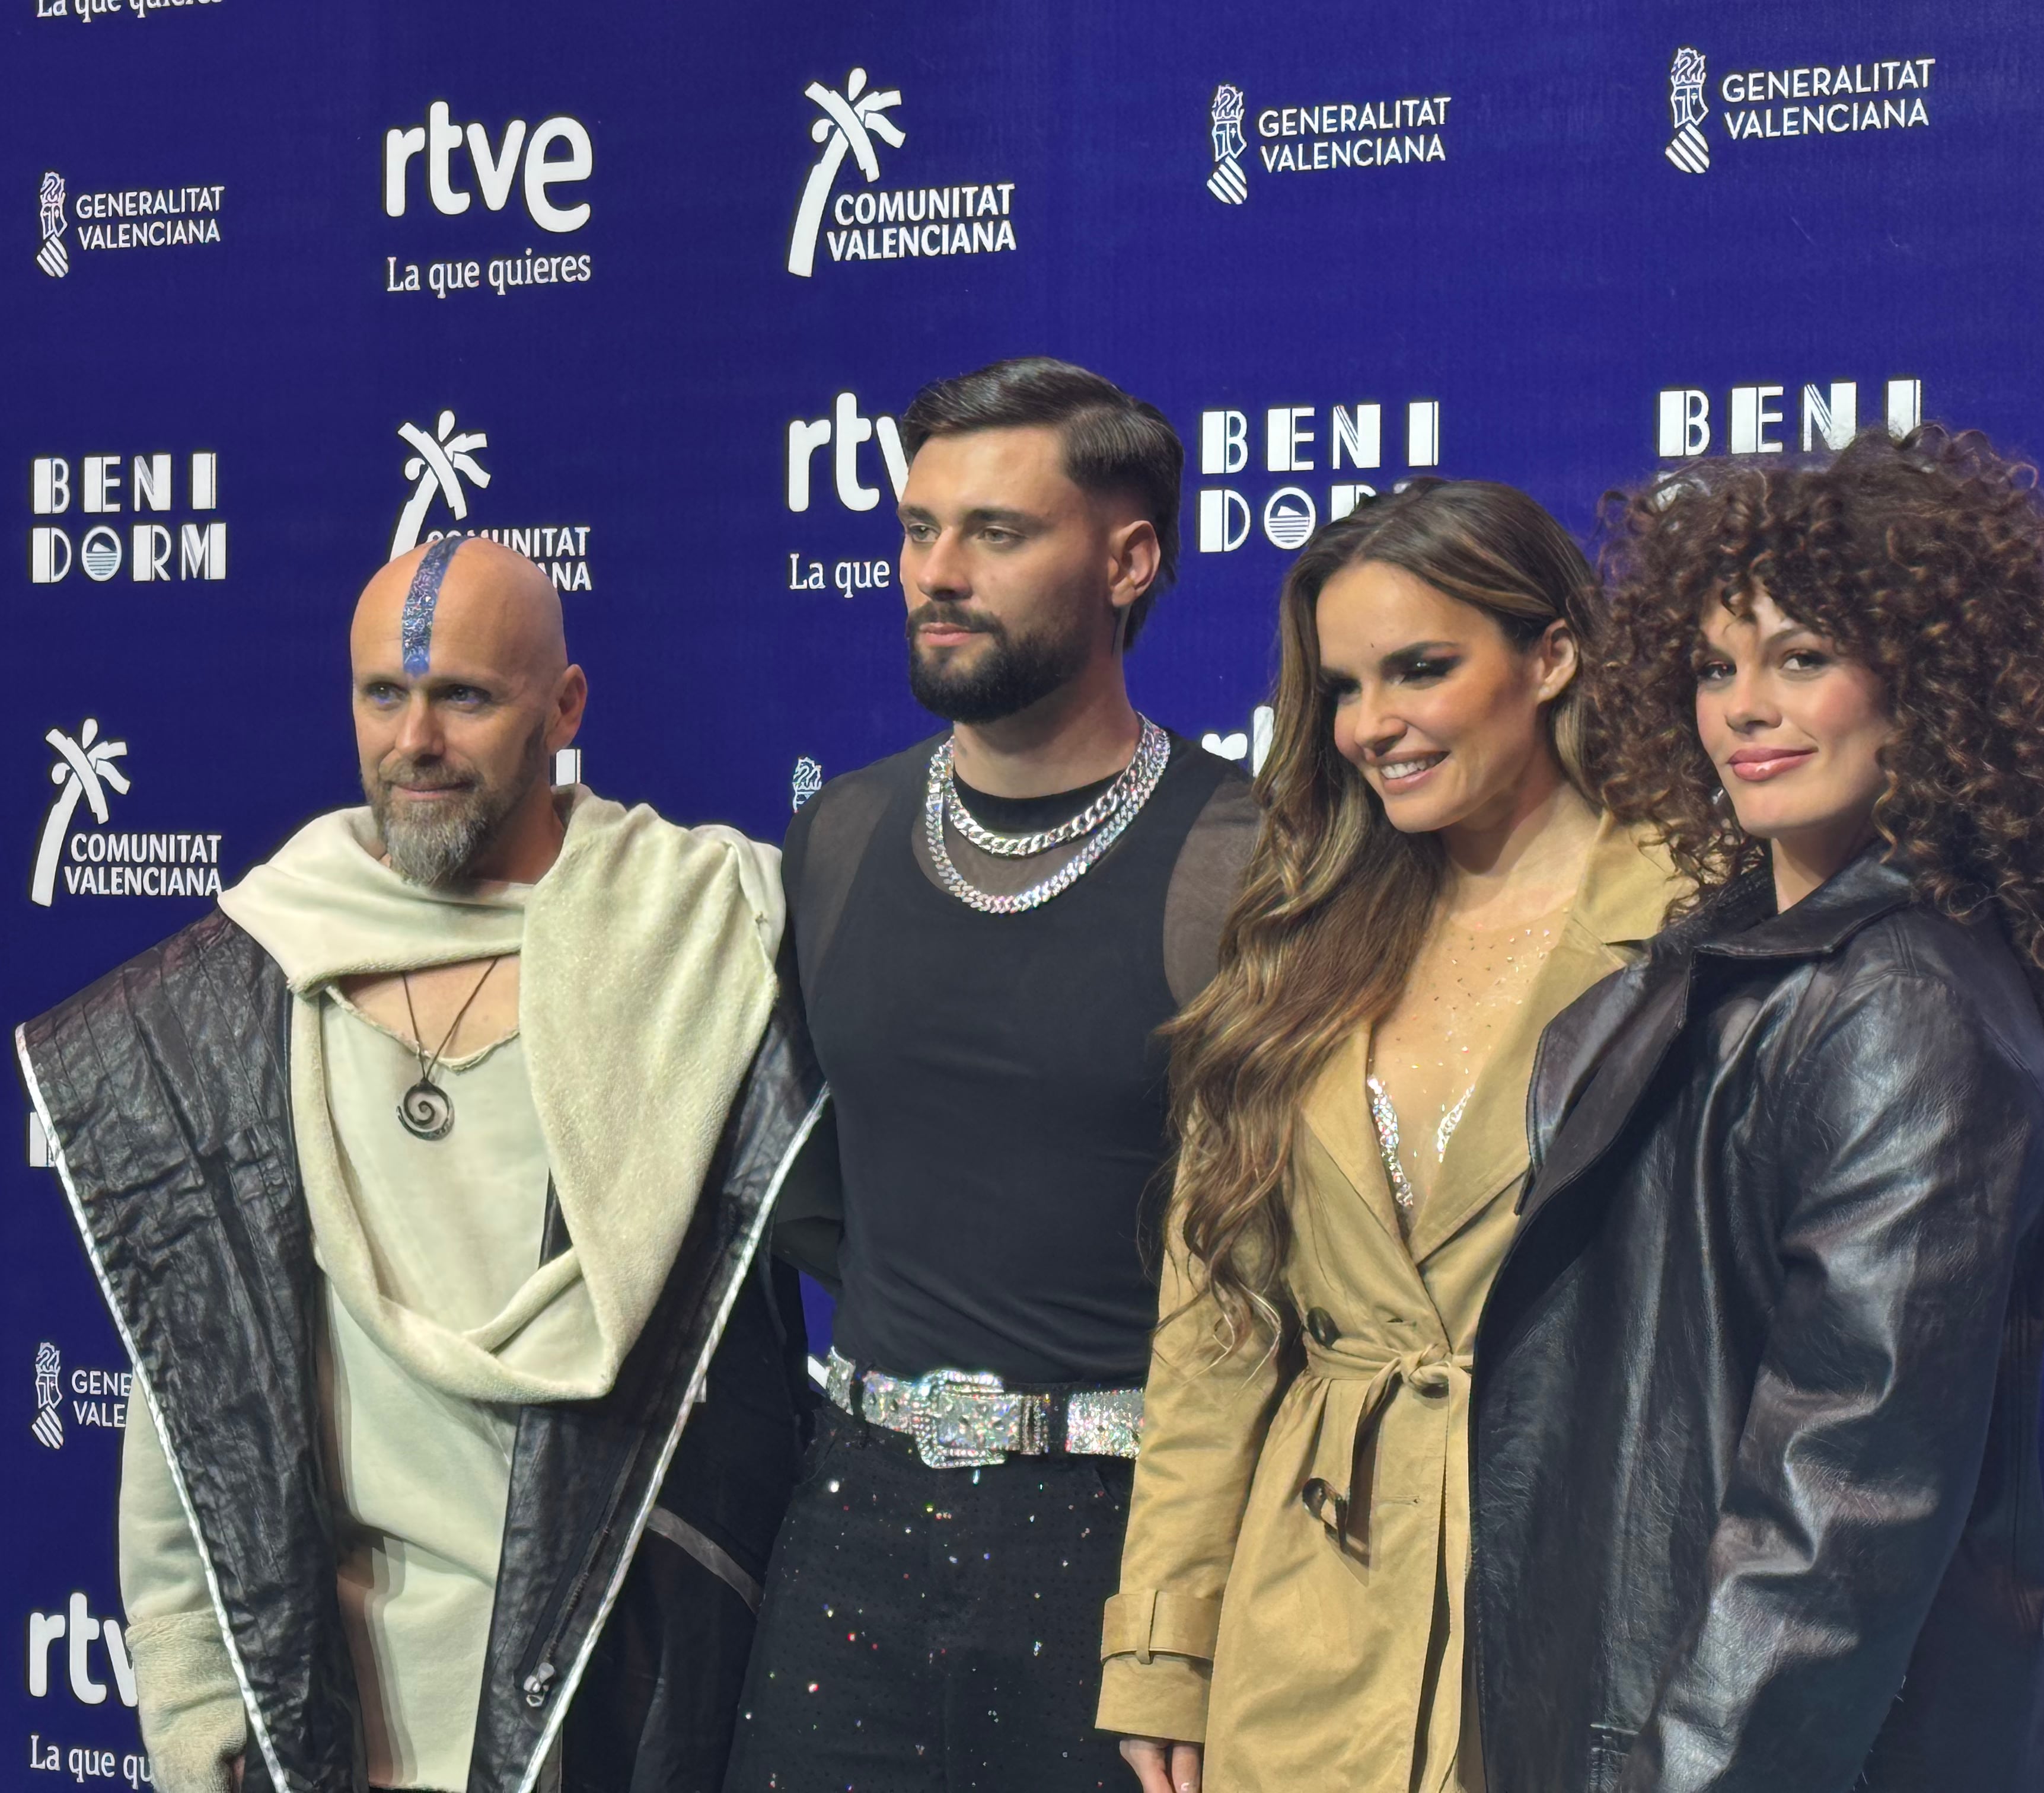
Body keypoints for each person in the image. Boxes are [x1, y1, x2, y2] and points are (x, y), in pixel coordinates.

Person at [15, 539, 817, 1793]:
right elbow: (192, 1394)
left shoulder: (697, 957)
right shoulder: (244, 987)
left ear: (564, 709)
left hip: (620, 1707)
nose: (416, 740)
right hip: (317, 1718)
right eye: (383, 694)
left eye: (466, 696)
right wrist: (187, 1711)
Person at [1468, 429, 2044, 1792]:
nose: (1745, 710)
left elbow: (1836, 1519)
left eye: (1802, 659)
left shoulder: (1905, 1005)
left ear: (1926, 691)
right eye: (1717, 668)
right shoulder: (1726, 965)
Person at [1098, 480, 1684, 1793]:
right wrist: (1163, 1650)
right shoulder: (1298, 935)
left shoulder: (1697, 927)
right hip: (1309, 1621)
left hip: (1579, 1603)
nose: (1376, 726)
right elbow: (1217, 1328)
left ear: (1551, 655)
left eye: (1422, 670)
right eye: (1346, 687)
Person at [724, 358, 1258, 1792]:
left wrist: (1187, 1618)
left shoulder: (1245, 854)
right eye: (917, 530)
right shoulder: (835, 836)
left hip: (1133, 1558)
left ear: (1129, 559)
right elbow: (805, 1194)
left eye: (997, 534)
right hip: (849, 1535)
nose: (937, 575)